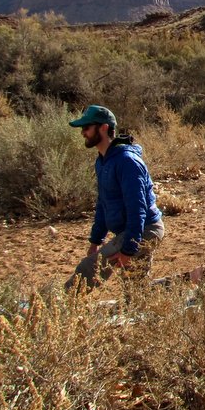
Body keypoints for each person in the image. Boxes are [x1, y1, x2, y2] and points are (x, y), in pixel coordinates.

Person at [65, 105, 165, 289]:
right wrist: (96, 241)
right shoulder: (102, 161)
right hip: (132, 231)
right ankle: (190, 280)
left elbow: (137, 209)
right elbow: (104, 203)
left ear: (103, 127)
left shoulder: (127, 161)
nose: (83, 133)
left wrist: (128, 249)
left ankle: (56, 308)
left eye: (86, 127)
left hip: (145, 230)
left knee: (88, 270)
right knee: (137, 294)